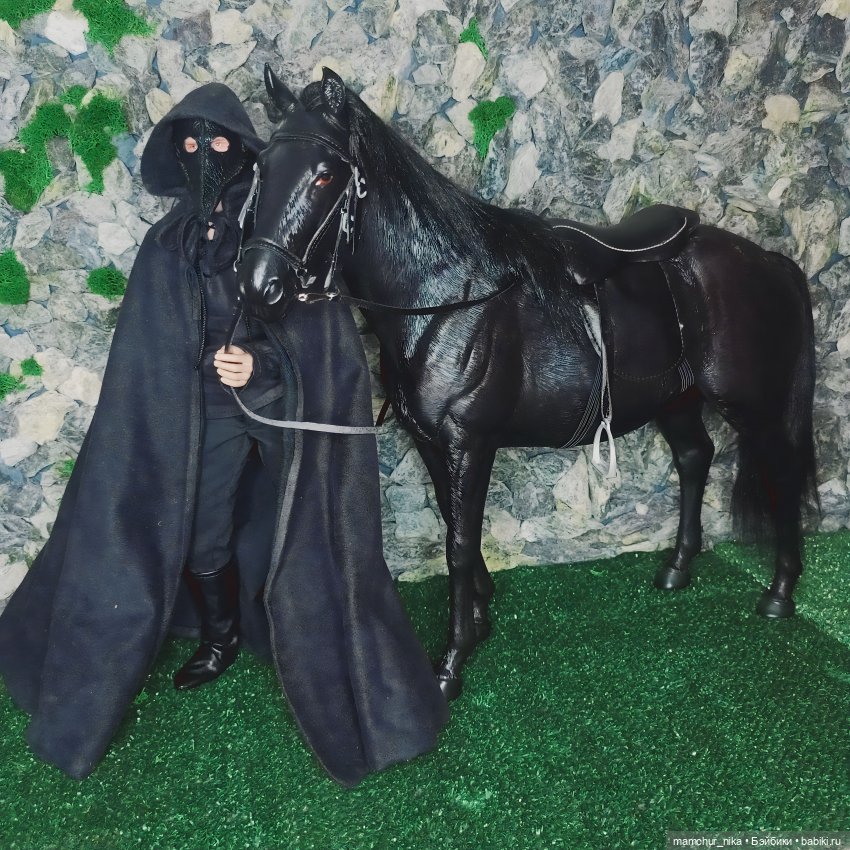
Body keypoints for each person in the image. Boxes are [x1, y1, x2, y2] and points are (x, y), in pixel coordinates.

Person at [0, 83, 447, 786]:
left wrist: (261, 365)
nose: (204, 152)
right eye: (189, 141)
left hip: (275, 406)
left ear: (241, 146)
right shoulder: (168, 242)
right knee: (204, 527)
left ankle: (309, 646)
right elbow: (149, 348)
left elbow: (315, 333)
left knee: (306, 521)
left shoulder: (277, 225)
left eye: (216, 140)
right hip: (201, 409)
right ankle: (219, 633)